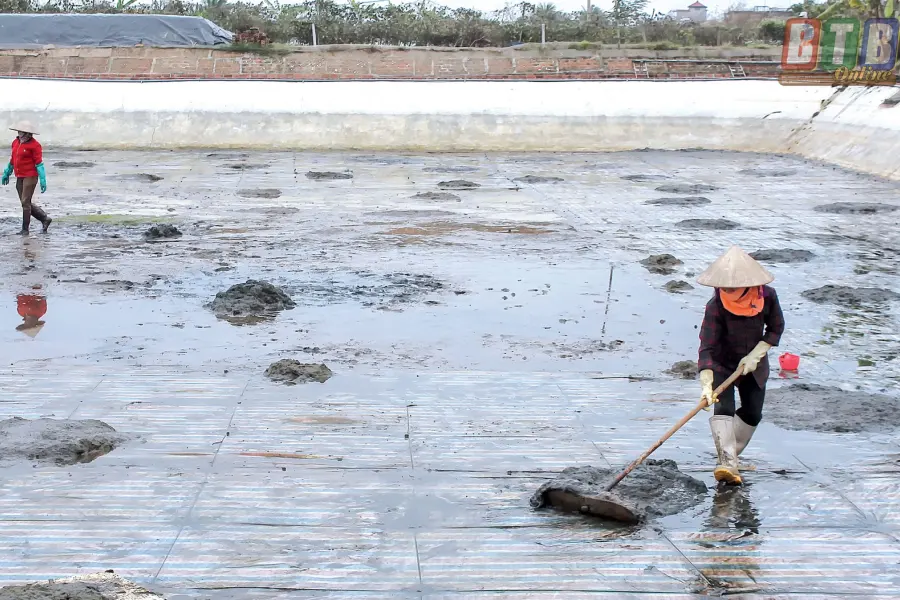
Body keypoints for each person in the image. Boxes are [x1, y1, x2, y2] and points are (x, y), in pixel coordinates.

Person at [696, 246, 785, 485]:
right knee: (723, 410)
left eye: (733, 286)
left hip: (753, 365)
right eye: (724, 286)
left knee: (753, 413)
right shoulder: (716, 305)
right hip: (722, 365)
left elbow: (776, 329)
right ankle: (727, 464)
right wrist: (707, 380)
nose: (727, 290)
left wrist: (757, 353)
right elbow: (707, 345)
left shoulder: (767, 296)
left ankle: (730, 455)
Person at [2, 122, 51, 235]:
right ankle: (45, 218)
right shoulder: (15, 142)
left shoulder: (35, 145)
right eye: (19, 133)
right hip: (19, 175)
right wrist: (7, 172)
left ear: (29, 134)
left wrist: (43, 179)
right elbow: (13, 159)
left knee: (25, 202)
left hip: (31, 175)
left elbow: (39, 164)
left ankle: (25, 229)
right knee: (25, 203)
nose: (21, 135)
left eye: (23, 133)